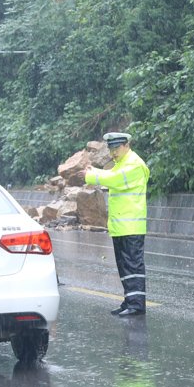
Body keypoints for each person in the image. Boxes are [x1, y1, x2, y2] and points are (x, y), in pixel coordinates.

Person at [82, 132, 151, 316]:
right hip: (122, 226)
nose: (113, 153)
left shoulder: (134, 165)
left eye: (116, 148)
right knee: (124, 267)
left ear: (126, 145)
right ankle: (130, 300)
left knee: (133, 266)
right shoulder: (123, 164)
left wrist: (90, 176)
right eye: (111, 149)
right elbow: (111, 173)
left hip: (131, 227)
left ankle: (136, 304)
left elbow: (114, 179)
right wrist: (93, 171)